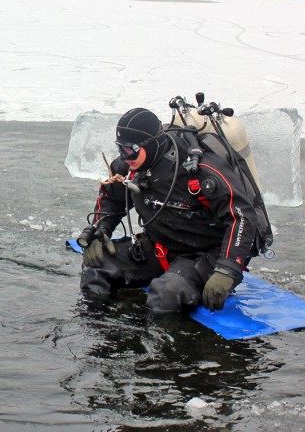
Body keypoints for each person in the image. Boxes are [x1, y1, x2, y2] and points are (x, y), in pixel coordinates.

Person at [77, 107, 260, 313]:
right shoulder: (128, 166)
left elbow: (241, 218)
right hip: (160, 245)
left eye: (131, 149)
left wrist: (227, 269)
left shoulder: (200, 171)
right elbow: (112, 199)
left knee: (165, 295)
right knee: (96, 268)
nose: (124, 156)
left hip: (205, 254)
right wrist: (101, 230)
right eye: (121, 148)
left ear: (152, 143)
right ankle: (99, 336)